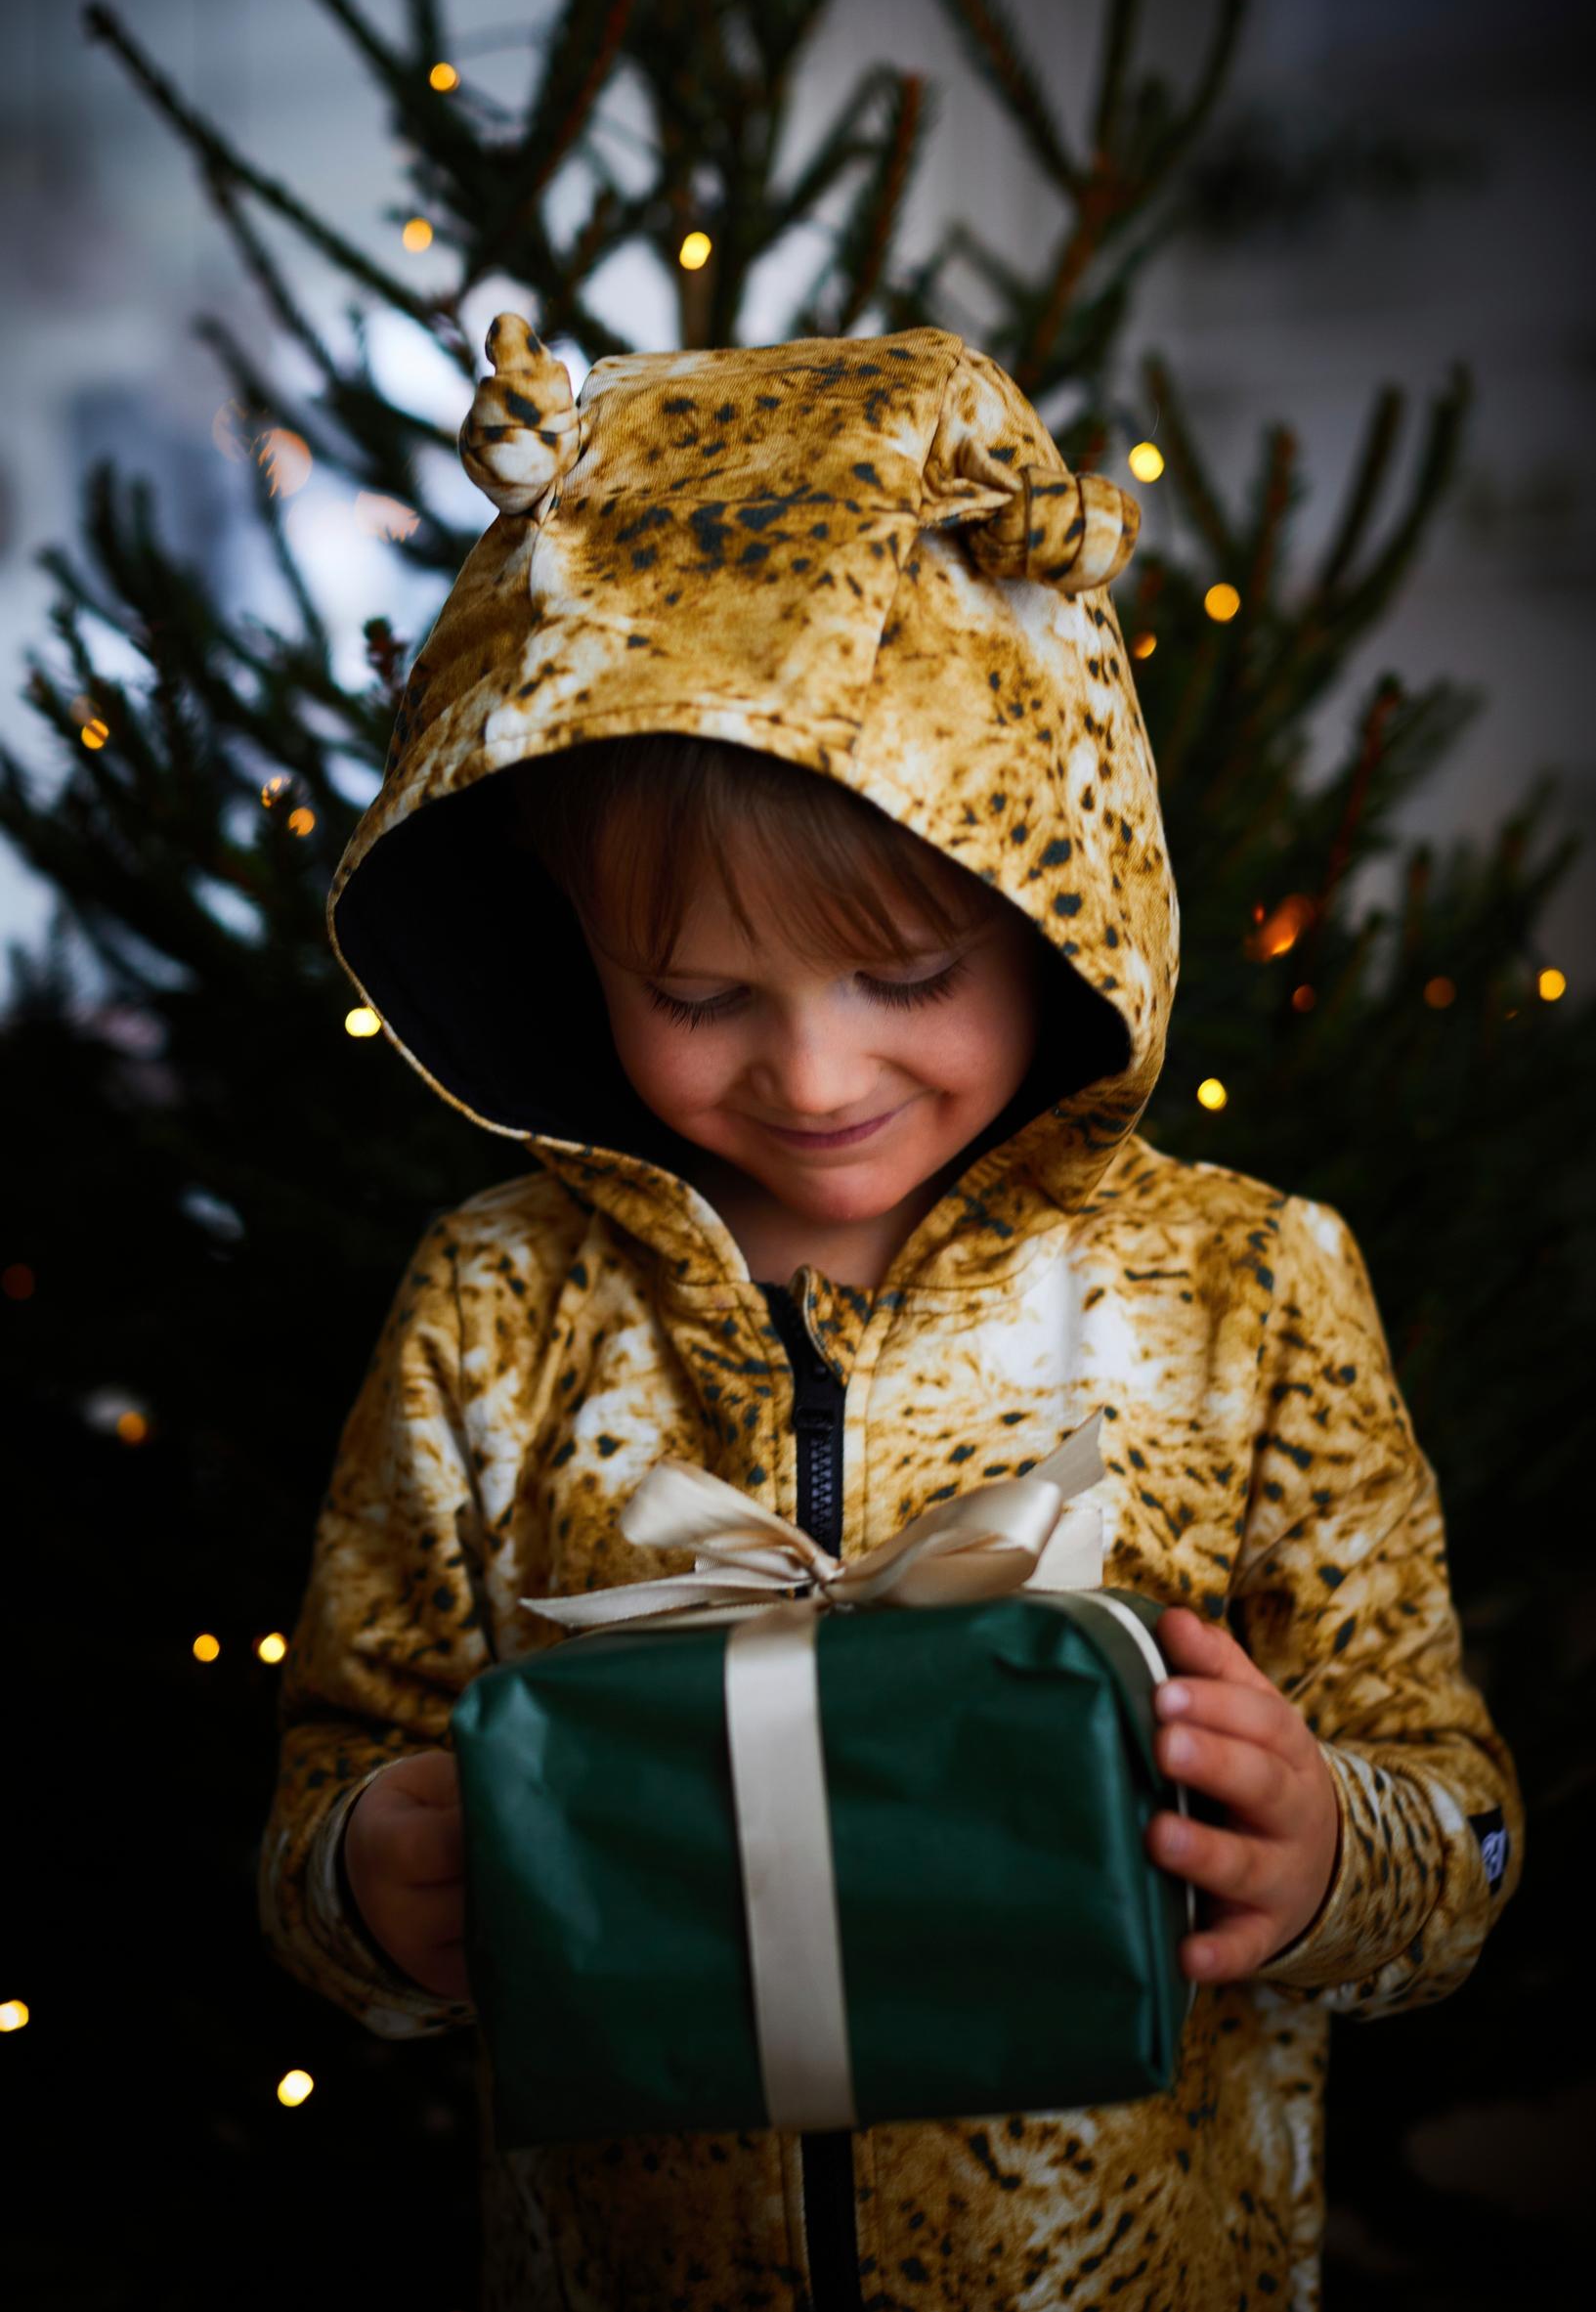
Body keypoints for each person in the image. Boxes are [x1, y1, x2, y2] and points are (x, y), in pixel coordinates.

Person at [257, 315, 1523, 2310]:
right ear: (574, 952)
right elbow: (337, 1773)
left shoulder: (1244, 1289)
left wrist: (1325, 1855)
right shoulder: (499, 1312)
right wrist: (367, 1877)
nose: (815, 1074)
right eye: (696, 996)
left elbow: (1457, 1828)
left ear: (1052, 899)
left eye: (908, 974)